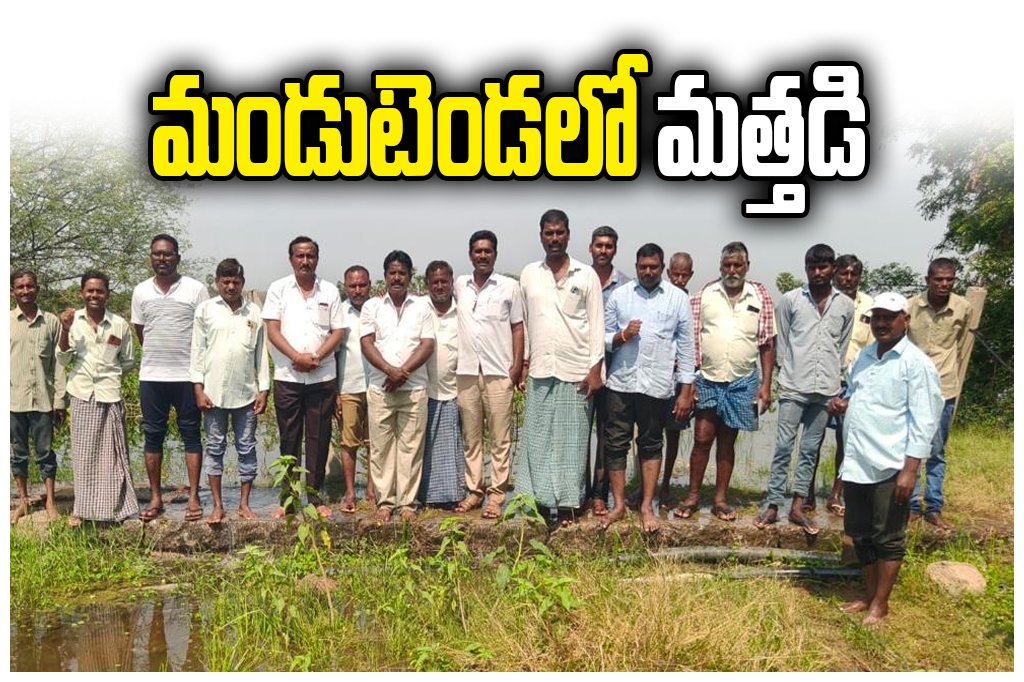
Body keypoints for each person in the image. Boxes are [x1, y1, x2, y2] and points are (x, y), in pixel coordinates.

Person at [832, 292, 943, 625]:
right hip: (857, 461)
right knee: (861, 532)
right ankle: (868, 595)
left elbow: (924, 421)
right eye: (876, 317)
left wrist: (910, 470)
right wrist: (843, 403)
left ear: (904, 320)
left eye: (888, 317)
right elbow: (855, 393)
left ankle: (881, 604)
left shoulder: (916, 364)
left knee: (889, 536)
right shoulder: (865, 356)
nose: (881, 323)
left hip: (891, 464)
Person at [756, 244, 853, 535]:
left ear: (833, 268)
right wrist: (785, 374)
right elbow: (782, 342)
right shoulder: (791, 300)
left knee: (810, 449)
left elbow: (841, 347)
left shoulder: (845, 305)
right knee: (783, 447)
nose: (817, 272)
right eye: (812, 267)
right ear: (806, 269)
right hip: (794, 385)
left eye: (823, 267)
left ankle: (798, 505)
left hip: (826, 388)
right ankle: (773, 504)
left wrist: (834, 378)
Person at [517, 209, 605, 527]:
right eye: (549, 233)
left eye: (559, 232)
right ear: (541, 236)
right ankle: (540, 502)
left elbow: (597, 324)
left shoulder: (586, 275)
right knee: (538, 438)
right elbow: (525, 322)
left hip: (576, 370)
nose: (554, 238)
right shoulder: (529, 274)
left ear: (568, 235)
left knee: (573, 441)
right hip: (541, 369)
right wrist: (524, 363)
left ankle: (569, 504)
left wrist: (595, 370)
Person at [677, 242, 775, 521]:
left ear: (747, 266)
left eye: (737, 265)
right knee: (702, 437)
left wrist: (766, 385)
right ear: (720, 267)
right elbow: (690, 340)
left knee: (727, 441)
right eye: (727, 265)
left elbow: (767, 342)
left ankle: (720, 500)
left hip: (741, 380)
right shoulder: (705, 295)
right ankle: (693, 496)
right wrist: (689, 383)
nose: (732, 270)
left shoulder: (760, 296)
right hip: (708, 378)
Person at [602, 243, 695, 532]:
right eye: (643, 267)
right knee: (616, 442)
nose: (648, 272)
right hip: (621, 382)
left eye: (653, 267)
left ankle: (646, 505)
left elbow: (687, 348)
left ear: (662, 267)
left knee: (652, 443)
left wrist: (686, 391)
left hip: (657, 384)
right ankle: (618, 505)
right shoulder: (620, 295)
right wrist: (622, 335)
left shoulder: (677, 298)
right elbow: (602, 337)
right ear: (636, 266)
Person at [263, 236, 346, 518]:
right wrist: (296, 357)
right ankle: (288, 497)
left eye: (310, 256)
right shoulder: (278, 289)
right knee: (289, 438)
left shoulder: (330, 291)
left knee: (319, 438)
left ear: (317, 259)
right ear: (291, 259)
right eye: (300, 256)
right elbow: (273, 330)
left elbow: (338, 331)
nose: (305, 261)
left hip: (322, 377)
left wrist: (317, 357)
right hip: (288, 376)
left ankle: (314, 496)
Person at [131, 234, 209, 522]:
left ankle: (194, 496)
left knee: (191, 434)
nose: (162, 258)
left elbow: (205, 331)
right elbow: (142, 332)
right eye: (157, 254)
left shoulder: (195, 289)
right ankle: (155, 497)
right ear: (151, 257)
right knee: (153, 436)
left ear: (178, 257)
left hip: (187, 376)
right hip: (152, 376)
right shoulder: (140, 291)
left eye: (167, 254)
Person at [189, 258, 270, 524]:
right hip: (213, 395)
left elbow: (261, 355)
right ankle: (217, 505)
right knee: (215, 448)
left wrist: (264, 390)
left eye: (236, 282)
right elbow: (197, 352)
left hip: (246, 395)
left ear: (242, 283)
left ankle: (244, 504)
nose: (231, 287)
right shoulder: (205, 310)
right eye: (226, 282)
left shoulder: (254, 313)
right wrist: (198, 389)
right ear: (217, 283)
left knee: (247, 448)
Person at [453, 230, 524, 519]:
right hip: (467, 371)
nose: (483, 255)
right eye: (478, 251)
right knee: (471, 438)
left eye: (488, 251)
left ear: (495, 254)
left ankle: (496, 496)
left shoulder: (509, 287)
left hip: (499, 372)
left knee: (500, 438)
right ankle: (474, 491)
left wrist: (517, 366)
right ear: (470, 254)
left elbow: (518, 327)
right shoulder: (460, 285)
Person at [360, 250, 435, 523]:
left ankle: (407, 504)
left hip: (414, 388)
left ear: (409, 276)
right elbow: (366, 343)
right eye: (392, 273)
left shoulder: (422, 306)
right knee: (381, 448)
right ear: (385, 276)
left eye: (402, 273)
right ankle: (385, 502)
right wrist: (389, 371)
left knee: (410, 448)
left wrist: (403, 372)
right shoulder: (372, 307)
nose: (397, 278)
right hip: (381, 388)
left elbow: (427, 344)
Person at [57, 272, 138, 525]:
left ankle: (118, 507)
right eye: (90, 291)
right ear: (82, 293)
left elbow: (128, 361)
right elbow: (63, 358)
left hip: (110, 394)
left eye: (99, 291)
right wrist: (65, 330)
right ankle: (81, 509)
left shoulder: (119, 324)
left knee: (114, 455)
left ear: (107, 294)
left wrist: (109, 375)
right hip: (82, 394)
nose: (94, 295)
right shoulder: (73, 322)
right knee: (84, 455)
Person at [906, 257, 974, 531]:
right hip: (912, 387)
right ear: (928, 280)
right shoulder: (911, 306)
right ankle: (910, 506)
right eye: (939, 279)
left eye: (949, 279)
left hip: (944, 387)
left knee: (937, 450)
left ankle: (933, 507)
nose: (944, 284)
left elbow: (963, 346)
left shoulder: (963, 308)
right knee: (910, 446)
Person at [809, 254, 874, 516]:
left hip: (854, 381)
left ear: (859, 277)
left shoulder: (870, 306)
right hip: (823, 379)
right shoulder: (823, 300)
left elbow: (873, 346)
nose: (848, 279)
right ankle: (807, 491)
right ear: (835, 274)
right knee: (813, 438)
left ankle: (837, 493)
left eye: (853, 274)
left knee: (846, 440)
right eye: (843, 273)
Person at [10, 269, 66, 523]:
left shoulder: (51, 322)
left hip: (43, 400)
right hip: (13, 401)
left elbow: (59, 364)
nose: (25, 291)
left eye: (30, 286)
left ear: (37, 289)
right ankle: (23, 500)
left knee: (45, 453)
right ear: (12, 291)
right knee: (18, 453)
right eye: (20, 287)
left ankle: (50, 501)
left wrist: (60, 400)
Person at [587, 225, 631, 516]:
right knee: (578, 432)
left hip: (613, 370)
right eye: (599, 245)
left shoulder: (626, 286)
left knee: (606, 434)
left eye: (608, 246)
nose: (603, 250)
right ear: (590, 247)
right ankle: (576, 491)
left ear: (615, 249)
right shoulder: (580, 277)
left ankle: (599, 495)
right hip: (579, 369)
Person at [417, 261, 465, 507]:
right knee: (423, 447)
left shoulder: (462, 311)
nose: (439, 286)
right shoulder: (419, 308)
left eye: (444, 281)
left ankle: (452, 495)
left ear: (451, 281)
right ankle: (424, 495)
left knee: (451, 447)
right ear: (427, 284)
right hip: (423, 390)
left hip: (453, 389)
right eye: (434, 282)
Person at [334, 265, 376, 513]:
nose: (358, 290)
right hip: (348, 386)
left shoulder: (379, 309)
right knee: (349, 442)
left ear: (370, 285)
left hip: (378, 385)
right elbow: (333, 355)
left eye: (362, 285)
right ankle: (350, 492)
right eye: (353, 286)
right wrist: (335, 393)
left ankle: (371, 491)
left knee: (375, 442)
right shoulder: (339, 313)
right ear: (346, 287)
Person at [660, 251, 695, 506]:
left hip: (679, 379)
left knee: (673, 434)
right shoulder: (660, 298)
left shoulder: (693, 303)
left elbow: (694, 346)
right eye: (676, 274)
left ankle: (665, 485)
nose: (679, 279)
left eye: (684, 275)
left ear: (690, 275)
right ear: (668, 273)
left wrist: (689, 387)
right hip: (657, 375)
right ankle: (646, 485)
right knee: (650, 434)